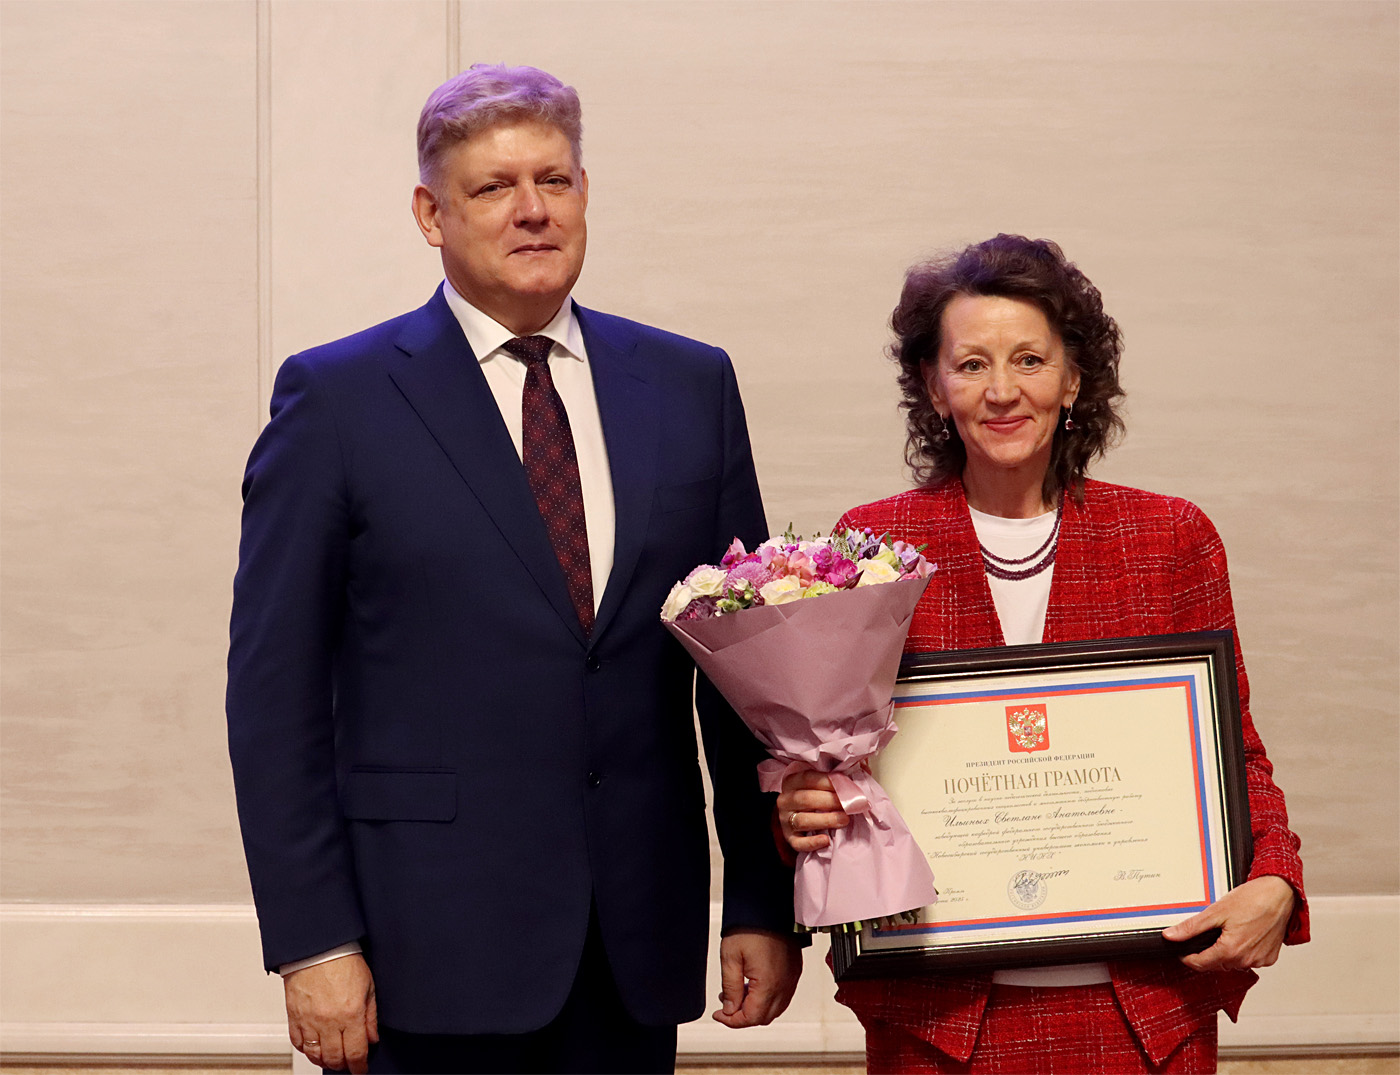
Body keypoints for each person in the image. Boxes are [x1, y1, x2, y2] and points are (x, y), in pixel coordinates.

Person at [226, 63, 802, 1075]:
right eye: (494, 187)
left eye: (554, 180)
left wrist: (760, 899)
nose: (533, 210)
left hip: (635, 946)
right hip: (421, 952)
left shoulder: (689, 385)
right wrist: (313, 938)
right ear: (431, 214)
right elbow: (274, 697)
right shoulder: (337, 399)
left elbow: (742, 673)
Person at [776, 234, 1306, 1073]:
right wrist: (806, 805)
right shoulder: (872, 548)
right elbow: (837, 772)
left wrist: (1277, 880)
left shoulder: (1171, 537)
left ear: (1073, 379)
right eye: (971, 364)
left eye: (1029, 359)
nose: (1002, 390)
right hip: (939, 1019)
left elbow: (1236, 754)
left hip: (1142, 1010)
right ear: (933, 385)